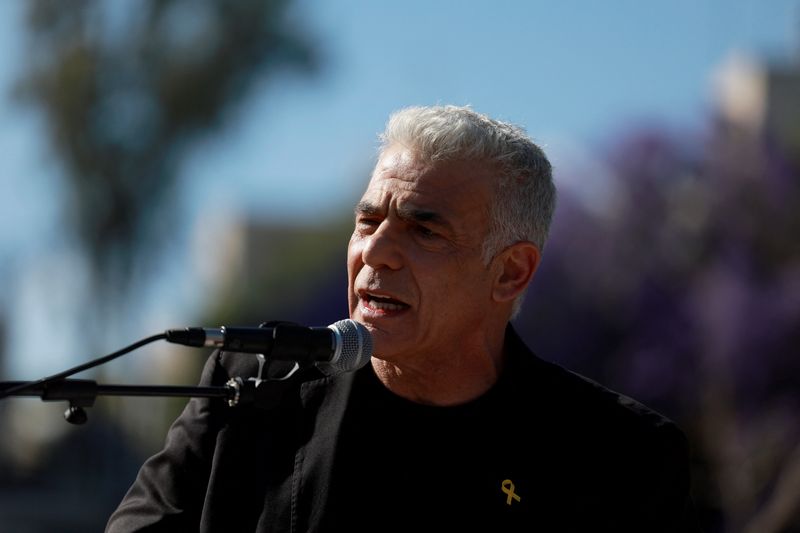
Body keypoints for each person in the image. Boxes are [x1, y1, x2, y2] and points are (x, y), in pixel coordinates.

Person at [107, 105, 700, 532]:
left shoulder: (624, 458)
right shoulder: (256, 387)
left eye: (425, 229)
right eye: (367, 221)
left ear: (511, 273)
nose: (377, 251)